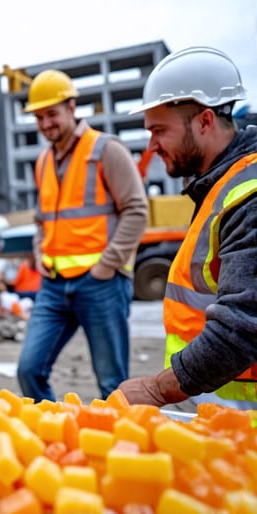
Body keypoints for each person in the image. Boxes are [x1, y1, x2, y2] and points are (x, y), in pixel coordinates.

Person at [118, 47, 257, 409]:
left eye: (159, 130)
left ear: (205, 122)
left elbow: (244, 325)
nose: (152, 146)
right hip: (221, 408)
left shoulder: (250, 195)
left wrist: (157, 389)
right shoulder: (223, 184)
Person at [17, 69, 148, 402]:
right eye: (39, 117)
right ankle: (56, 436)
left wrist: (108, 265)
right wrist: (40, 252)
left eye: (52, 114)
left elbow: (136, 209)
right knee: (29, 370)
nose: (46, 123)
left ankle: (119, 448)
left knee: (111, 384)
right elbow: (41, 218)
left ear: (72, 107)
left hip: (100, 284)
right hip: (53, 285)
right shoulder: (43, 160)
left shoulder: (107, 149)